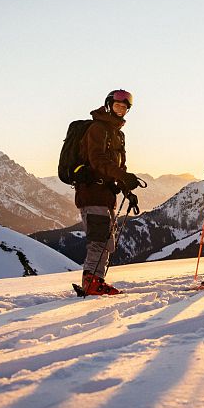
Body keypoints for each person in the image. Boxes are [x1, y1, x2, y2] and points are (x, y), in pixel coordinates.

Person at [75, 89, 141, 295]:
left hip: (106, 195)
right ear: (108, 105)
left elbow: (117, 168)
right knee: (99, 239)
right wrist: (122, 177)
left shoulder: (117, 135)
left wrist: (126, 189)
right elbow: (98, 161)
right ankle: (92, 282)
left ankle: (97, 281)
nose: (120, 110)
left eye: (124, 107)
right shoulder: (98, 128)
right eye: (117, 105)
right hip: (92, 192)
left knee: (106, 241)